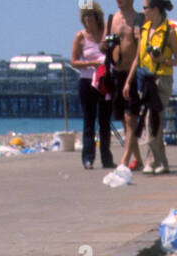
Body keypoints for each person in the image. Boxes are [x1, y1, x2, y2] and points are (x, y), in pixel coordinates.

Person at [124, 0, 177, 175]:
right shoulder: (144, 29)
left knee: (153, 119)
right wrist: (128, 80)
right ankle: (159, 161)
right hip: (145, 79)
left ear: (155, 9)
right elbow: (137, 58)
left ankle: (154, 161)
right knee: (149, 120)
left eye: (145, 8)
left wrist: (162, 59)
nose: (143, 11)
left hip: (162, 79)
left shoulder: (169, 32)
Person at [71, 3, 114, 169]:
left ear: (97, 17)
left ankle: (106, 158)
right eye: (85, 17)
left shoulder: (105, 34)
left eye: (91, 16)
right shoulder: (80, 37)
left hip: (104, 80)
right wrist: (91, 63)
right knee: (89, 120)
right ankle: (88, 158)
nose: (88, 19)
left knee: (105, 121)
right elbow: (74, 61)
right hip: (87, 81)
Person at [107, 0, 143, 170]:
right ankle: (138, 159)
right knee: (123, 119)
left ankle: (124, 160)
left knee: (131, 118)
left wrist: (130, 79)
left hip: (132, 73)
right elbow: (103, 46)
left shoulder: (138, 19)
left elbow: (139, 52)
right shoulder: (111, 19)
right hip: (116, 73)